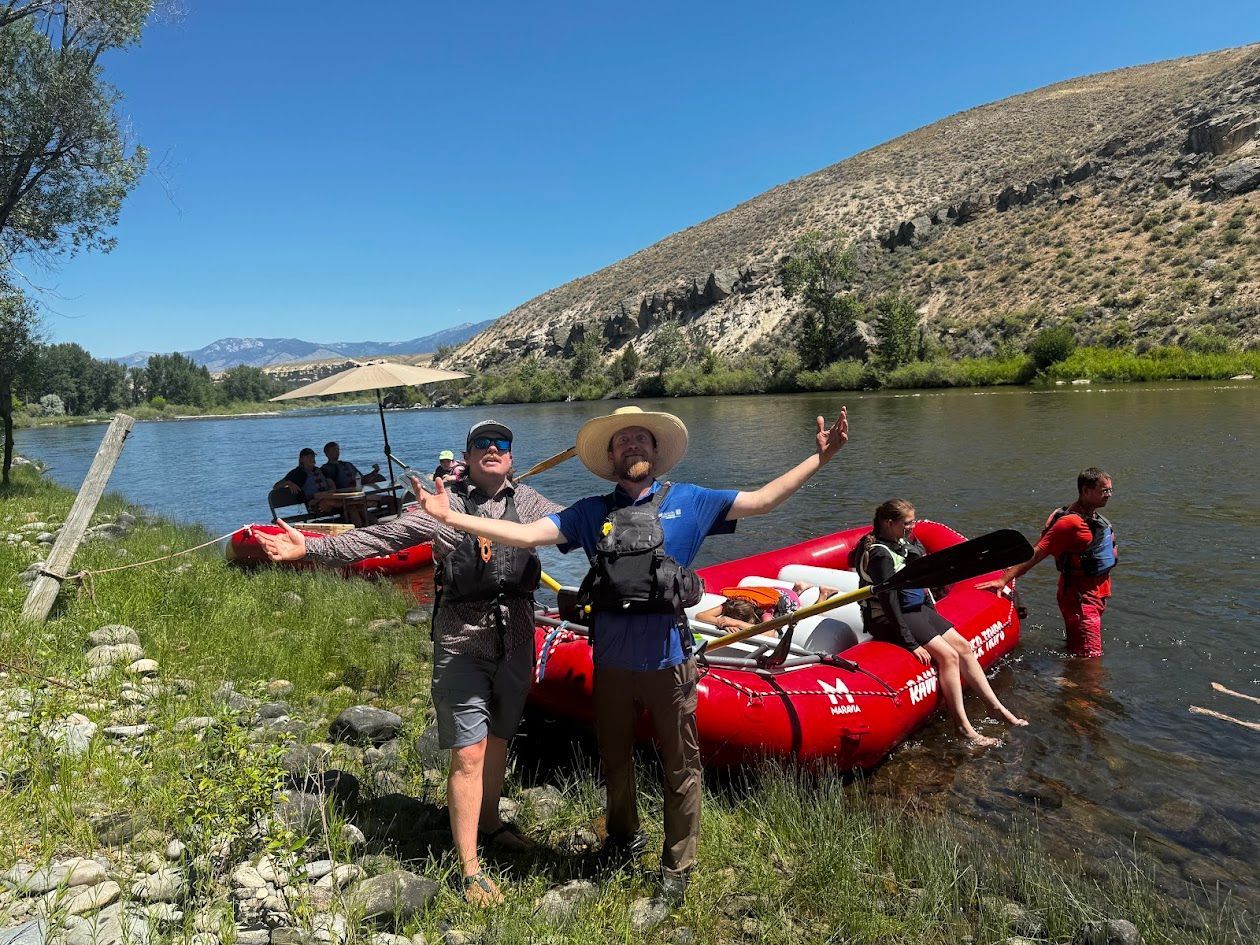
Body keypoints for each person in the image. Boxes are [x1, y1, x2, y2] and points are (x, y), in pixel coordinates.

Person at [413, 403, 850, 903]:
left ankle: (677, 868)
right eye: (623, 442)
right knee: (614, 761)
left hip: (670, 663)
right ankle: (622, 838)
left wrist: (820, 458)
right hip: (612, 664)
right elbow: (528, 534)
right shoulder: (591, 512)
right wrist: (458, 519)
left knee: (681, 768)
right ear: (612, 456)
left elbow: (764, 501)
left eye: (641, 439)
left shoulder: (694, 499)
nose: (633, 446)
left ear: (656, 452)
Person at [252, 421, 562, 907]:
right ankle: (470, 866)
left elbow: (577, 529)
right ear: (468, 454)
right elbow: (379, 539)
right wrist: (309, 547)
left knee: (500, 740)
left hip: (518, 639)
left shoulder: (532, 503)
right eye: (482, 443)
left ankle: (491, 822)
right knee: (468, 753)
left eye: (502, 444)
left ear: (511, 456)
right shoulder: (443, 505)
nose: (493, 449)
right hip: (462, 642)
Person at [853, 499, 1028, 748]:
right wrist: (910, 643)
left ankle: (996, 708)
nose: (912, 527)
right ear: (888, 523)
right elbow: (889, 600)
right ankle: (963, 728)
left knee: (964, 647)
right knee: (949, 656)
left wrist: (932, 613)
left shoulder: (903, 541)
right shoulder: (880, 553)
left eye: (913, 522)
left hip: (917, 608)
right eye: (907, 523)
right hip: (892, 615)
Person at [978, 467, 1117, 658]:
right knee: (1091, 656)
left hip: (1093, 595)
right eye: (1104, 490)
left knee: (1079, 649)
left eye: (1110, 490)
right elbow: (1036, 553)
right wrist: (1004, 580)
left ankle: (1069, 680)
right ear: (1086, 491)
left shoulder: (1092, 517)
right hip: (1081, 598)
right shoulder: (1070, 523)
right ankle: (1088, 686)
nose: (1109, 495)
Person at [274, 448, 335, 513]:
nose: (311, 458)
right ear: (301, 460)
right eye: (308, 457)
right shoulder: (297, 473)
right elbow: (276, 486)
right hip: (314, 505)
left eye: (312, 456)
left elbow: (332, 485)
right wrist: (289, 483)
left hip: (327, 499)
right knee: (335, 503)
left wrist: (330, 493)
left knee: (345, 502)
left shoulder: (321, 471)